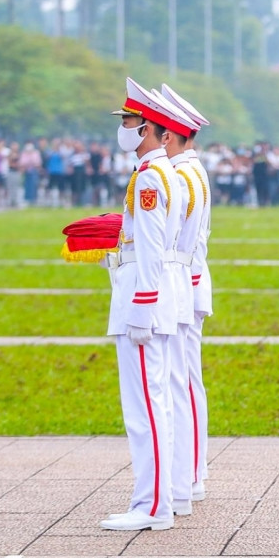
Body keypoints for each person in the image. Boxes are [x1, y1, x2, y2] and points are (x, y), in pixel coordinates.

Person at [100, 78, 186, 532]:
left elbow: (152, 248)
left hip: (144, 299)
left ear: (155, 131)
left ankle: (152, 506)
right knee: (153, 404)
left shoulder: (152, 177)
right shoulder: (152, 173)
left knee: (145, 407)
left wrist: (141, 306)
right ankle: (156, 499)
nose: (126, 128)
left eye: (132, 122)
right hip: (146, 293)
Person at [161, 83, 214, 502]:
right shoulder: (190, 169)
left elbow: (178, 240)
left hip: (183, 281)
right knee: (186, 381)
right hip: (189, 280)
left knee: (181, 382)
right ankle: (191, 473)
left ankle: (189, 477)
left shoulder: (181, 173)